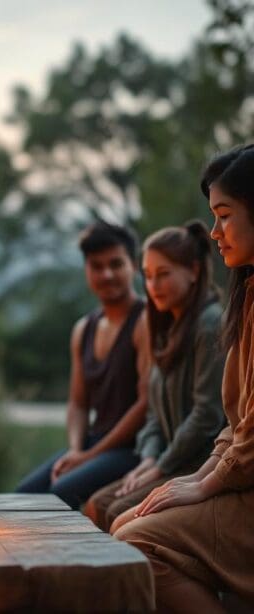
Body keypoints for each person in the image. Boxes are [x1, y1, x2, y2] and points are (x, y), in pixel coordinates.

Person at [114, 145, 254, 612]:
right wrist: (193, 479)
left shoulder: (210, 322)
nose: (215, 232)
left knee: (130, 541)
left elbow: (223, 425)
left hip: (244, 490)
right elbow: (233, 427)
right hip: (227, 475)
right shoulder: (246, 298)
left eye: (225, 215)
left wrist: (198, 483)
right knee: (123, 524)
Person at [84, 222, 226, 531]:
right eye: (147, 276)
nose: (153, 285)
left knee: (118, 513)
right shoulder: (164, 328)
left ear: (193, 271)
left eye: (163, 274)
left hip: (197, 465)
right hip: (164, 459)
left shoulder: (210, 325)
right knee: (97, 505)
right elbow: (154, 414)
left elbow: (206, 415)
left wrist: (161, 465)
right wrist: (149, 458)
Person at [16, 222, 150, 508]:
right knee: (23, 494)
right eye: (96, 266)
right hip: (93, 443)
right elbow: (77, 404)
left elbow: (145, 403)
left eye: (116, 264)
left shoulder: (145, 321)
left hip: (134, 448)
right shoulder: (83, 329)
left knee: (60, 492)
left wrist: (88, 457)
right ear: (86, 270)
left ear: (134, 266)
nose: (107, 274)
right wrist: (76, 450)